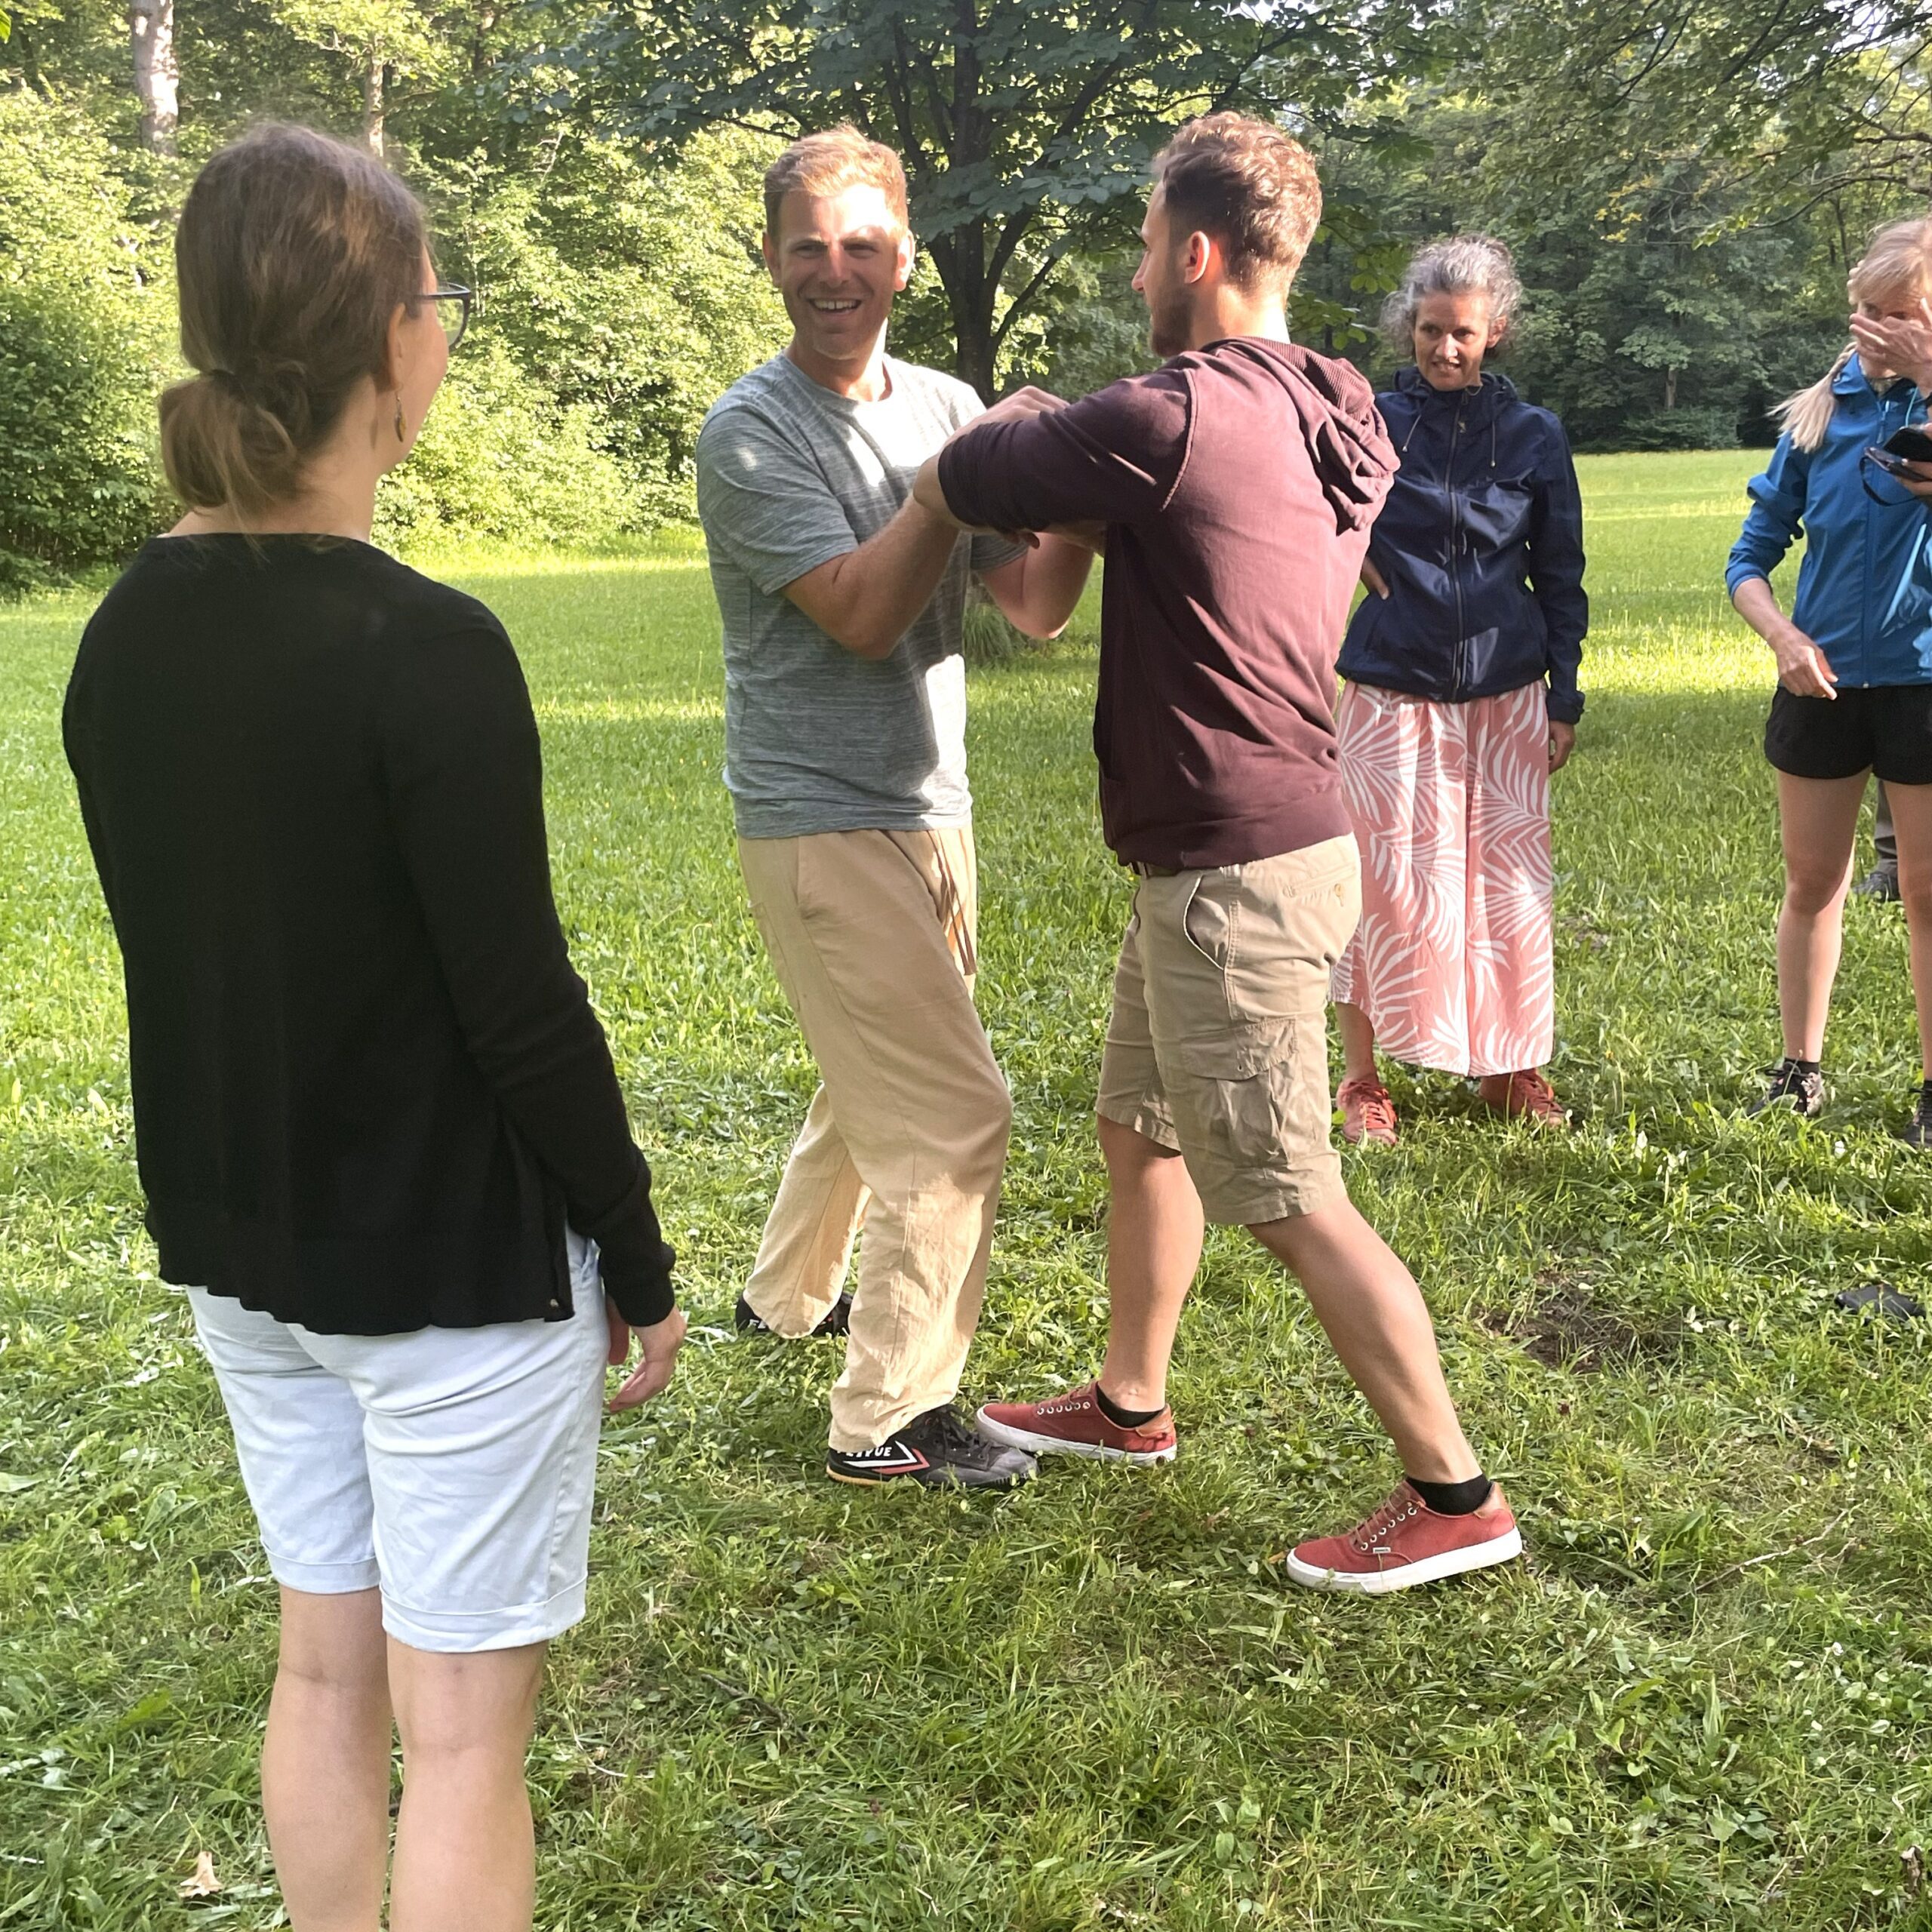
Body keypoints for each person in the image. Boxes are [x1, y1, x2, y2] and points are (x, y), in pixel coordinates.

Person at [63, 125, 686, 1932]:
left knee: (323, 1672)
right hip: (446, 1279)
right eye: (437, 299)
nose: (445, 327)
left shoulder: (122, 630)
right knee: (465, 1736)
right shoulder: (427, 647)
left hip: (245, 1256)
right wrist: (635, 1256)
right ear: (392, 344)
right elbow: (521, 1006)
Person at [915, 113, 1521, 1593]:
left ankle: (1454, 1491)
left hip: (1232, 871)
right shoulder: (1335, 409)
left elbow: (986, 497)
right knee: (1141, 1121)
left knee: (1286, 1185)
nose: (1135, 269)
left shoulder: (1160, 416)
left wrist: (1015, 417)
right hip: (1243, 844)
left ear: (1192, 252)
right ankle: (1129, 1401)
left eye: (1139, 244)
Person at [694, 128, 1094, 1489]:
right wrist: (959, 478)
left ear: (905, 258)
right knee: (948, 1114)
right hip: (816, 817)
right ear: (770, 260)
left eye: (862, 244)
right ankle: (890, 1418)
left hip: (934, 802)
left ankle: (781, 1295)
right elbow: (865, 616)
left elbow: (1029, 608)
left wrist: (1078, 487)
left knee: (874, 1070)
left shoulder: (945, 400)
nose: (834, 270)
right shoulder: (749, 433)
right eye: (807, 245)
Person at [1329, 235, 1587, 1145]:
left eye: (1464, 333)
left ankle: (1510, 1066)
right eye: (1431, 330)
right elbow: (1307, 510)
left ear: (1495, 331)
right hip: (1388, 685)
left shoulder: (1533, 436)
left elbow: (1560, 570)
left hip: (1507, 687)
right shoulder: (1364, 419)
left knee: (1505, 884)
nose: (1446, 349)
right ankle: (1362, 1080)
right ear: (1410, 326)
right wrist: (1352, 558)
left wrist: (1564, 691)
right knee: (1382, 880)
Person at [1726, 216, 1932, 1138]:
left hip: (1922, 680)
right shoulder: (1820, 413)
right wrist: (1780, 637)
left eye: (1901, 315)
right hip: (1820, 684)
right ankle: (1798, 1069)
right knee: (1813, 882)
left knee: (1926, 892)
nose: (1875, 329)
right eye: (1864, 310)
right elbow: (1748, 558)